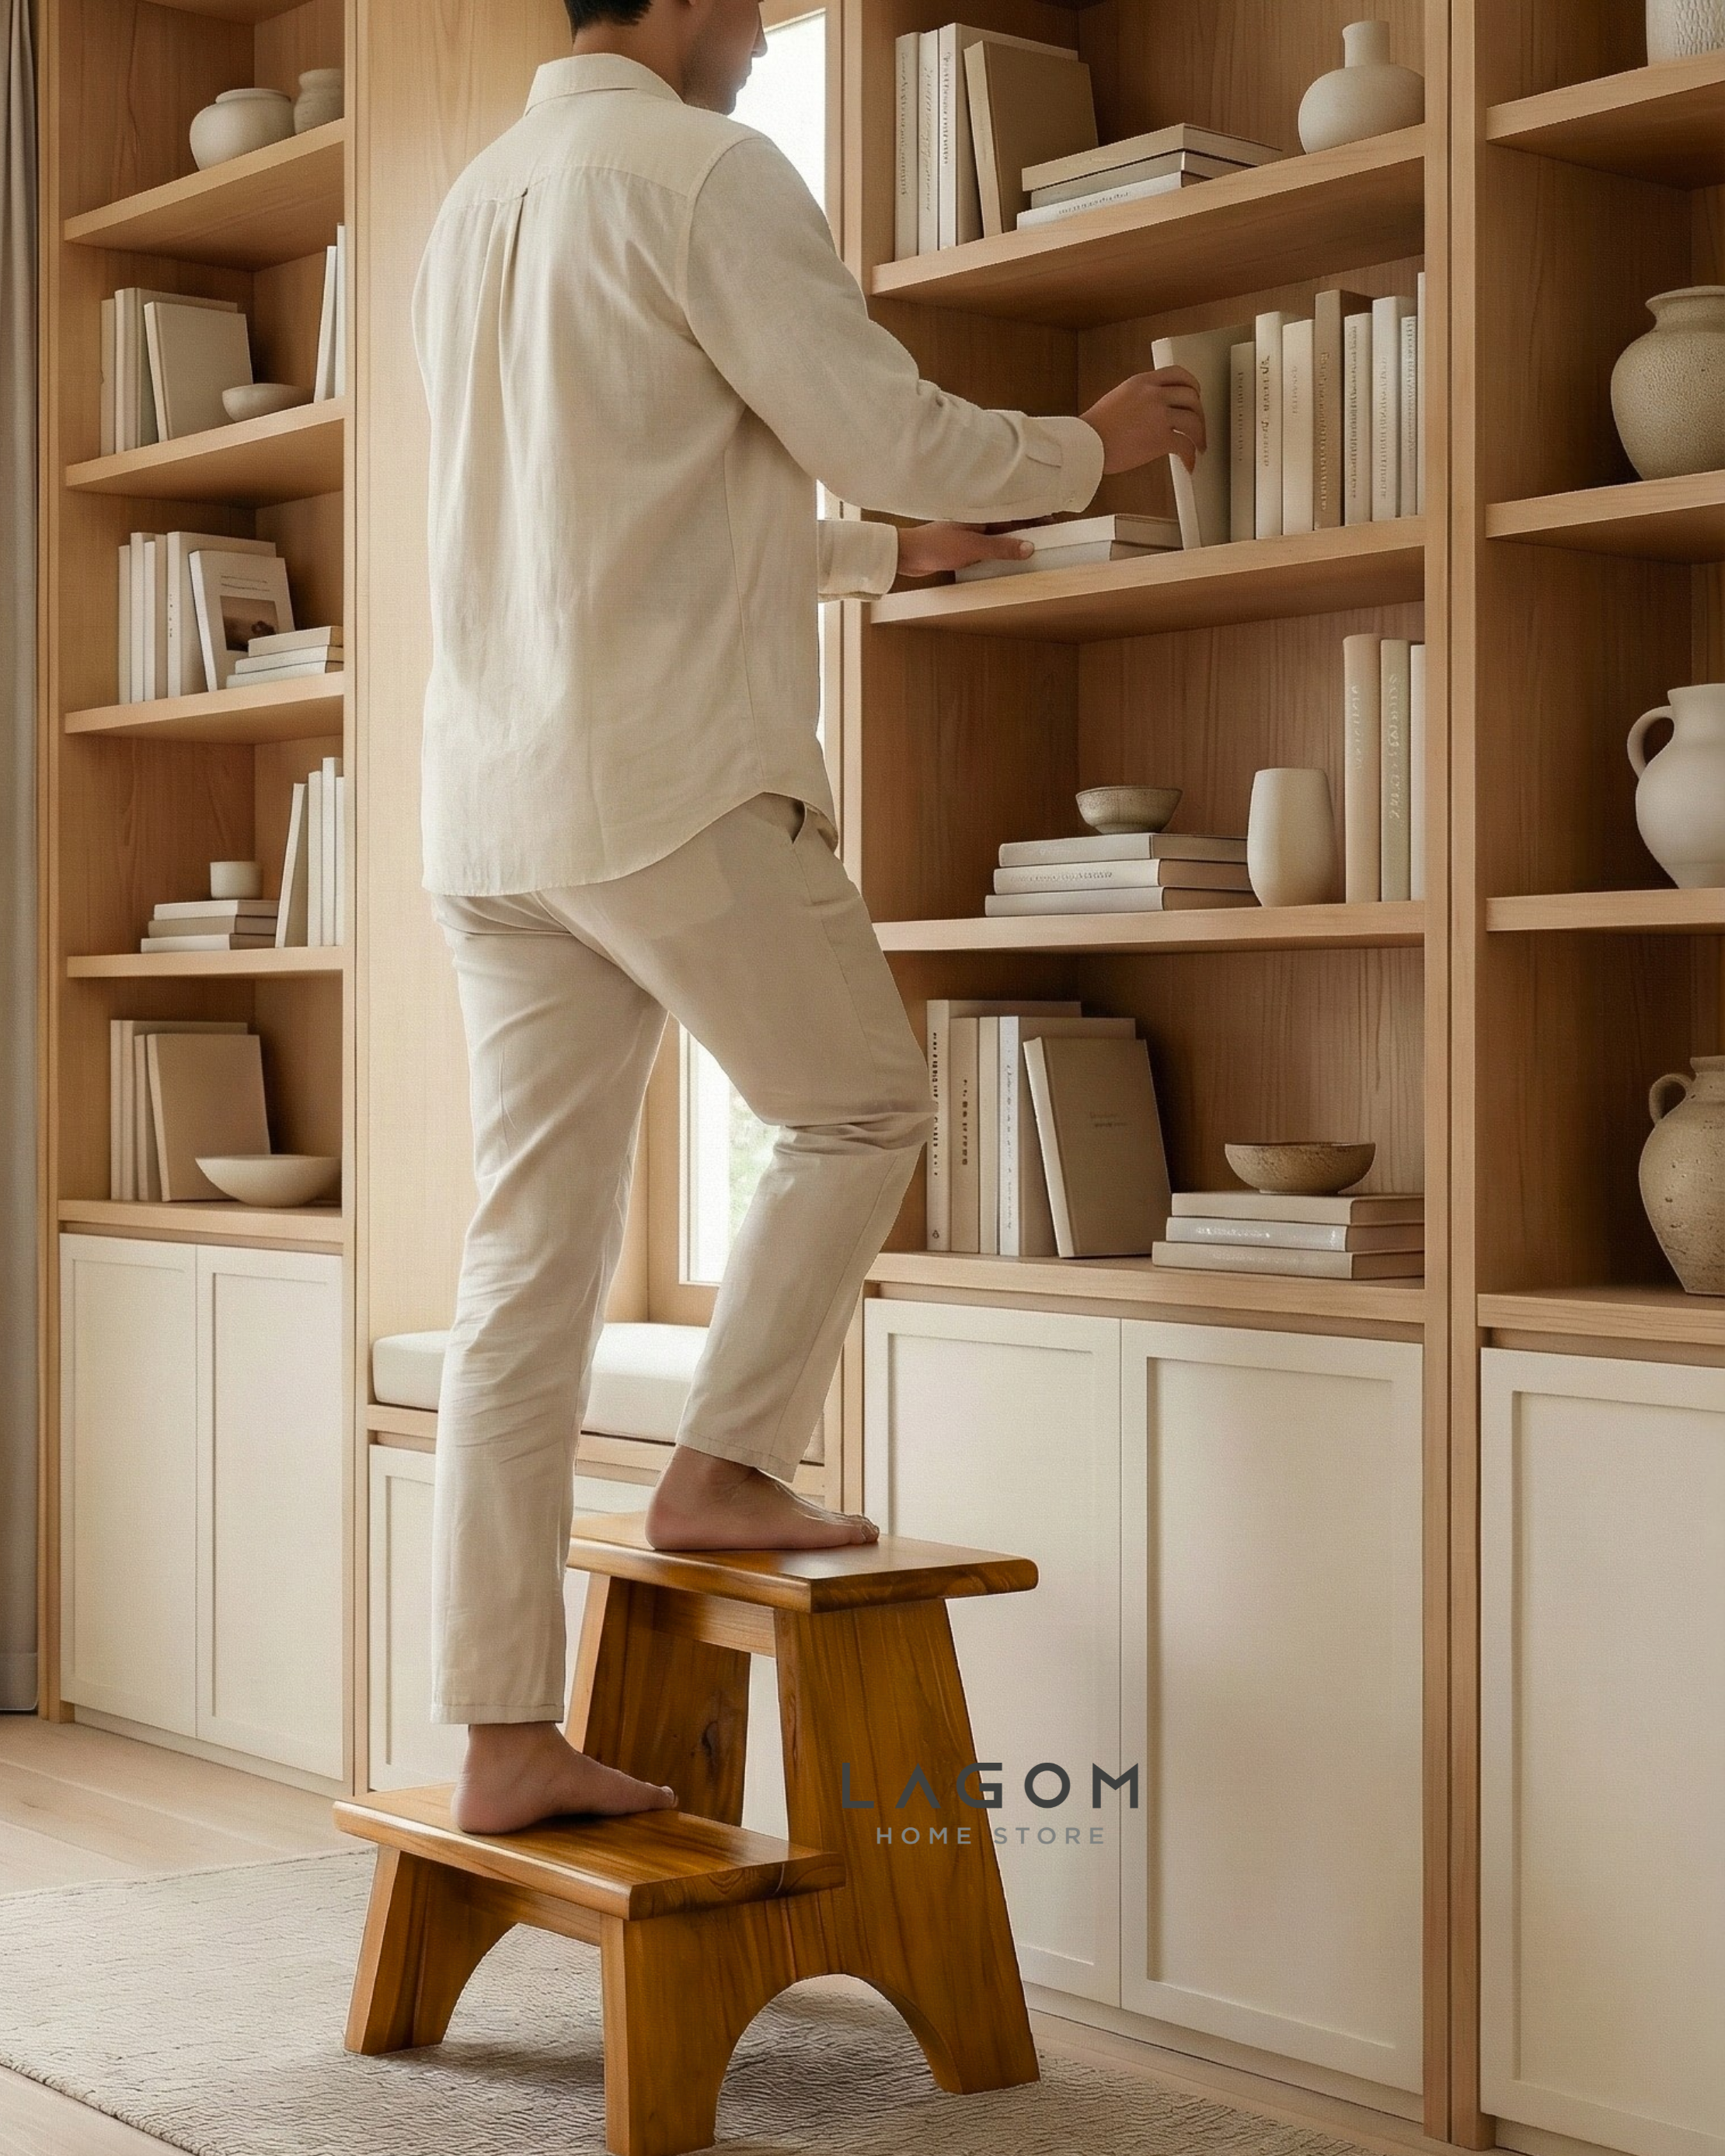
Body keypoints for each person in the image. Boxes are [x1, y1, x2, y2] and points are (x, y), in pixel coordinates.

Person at [413, 0, 1201, 1835]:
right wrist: (1081, 447)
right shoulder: (702, 173)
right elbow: (887, 430)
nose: (768, 28)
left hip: (494, 807)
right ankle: (728, 1463)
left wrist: (866, 560)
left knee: (523, 1266)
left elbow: (599, 506)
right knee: (861, 1104)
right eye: (756, 0)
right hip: (670, 781)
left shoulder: (477, 203)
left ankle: (500, 1734)